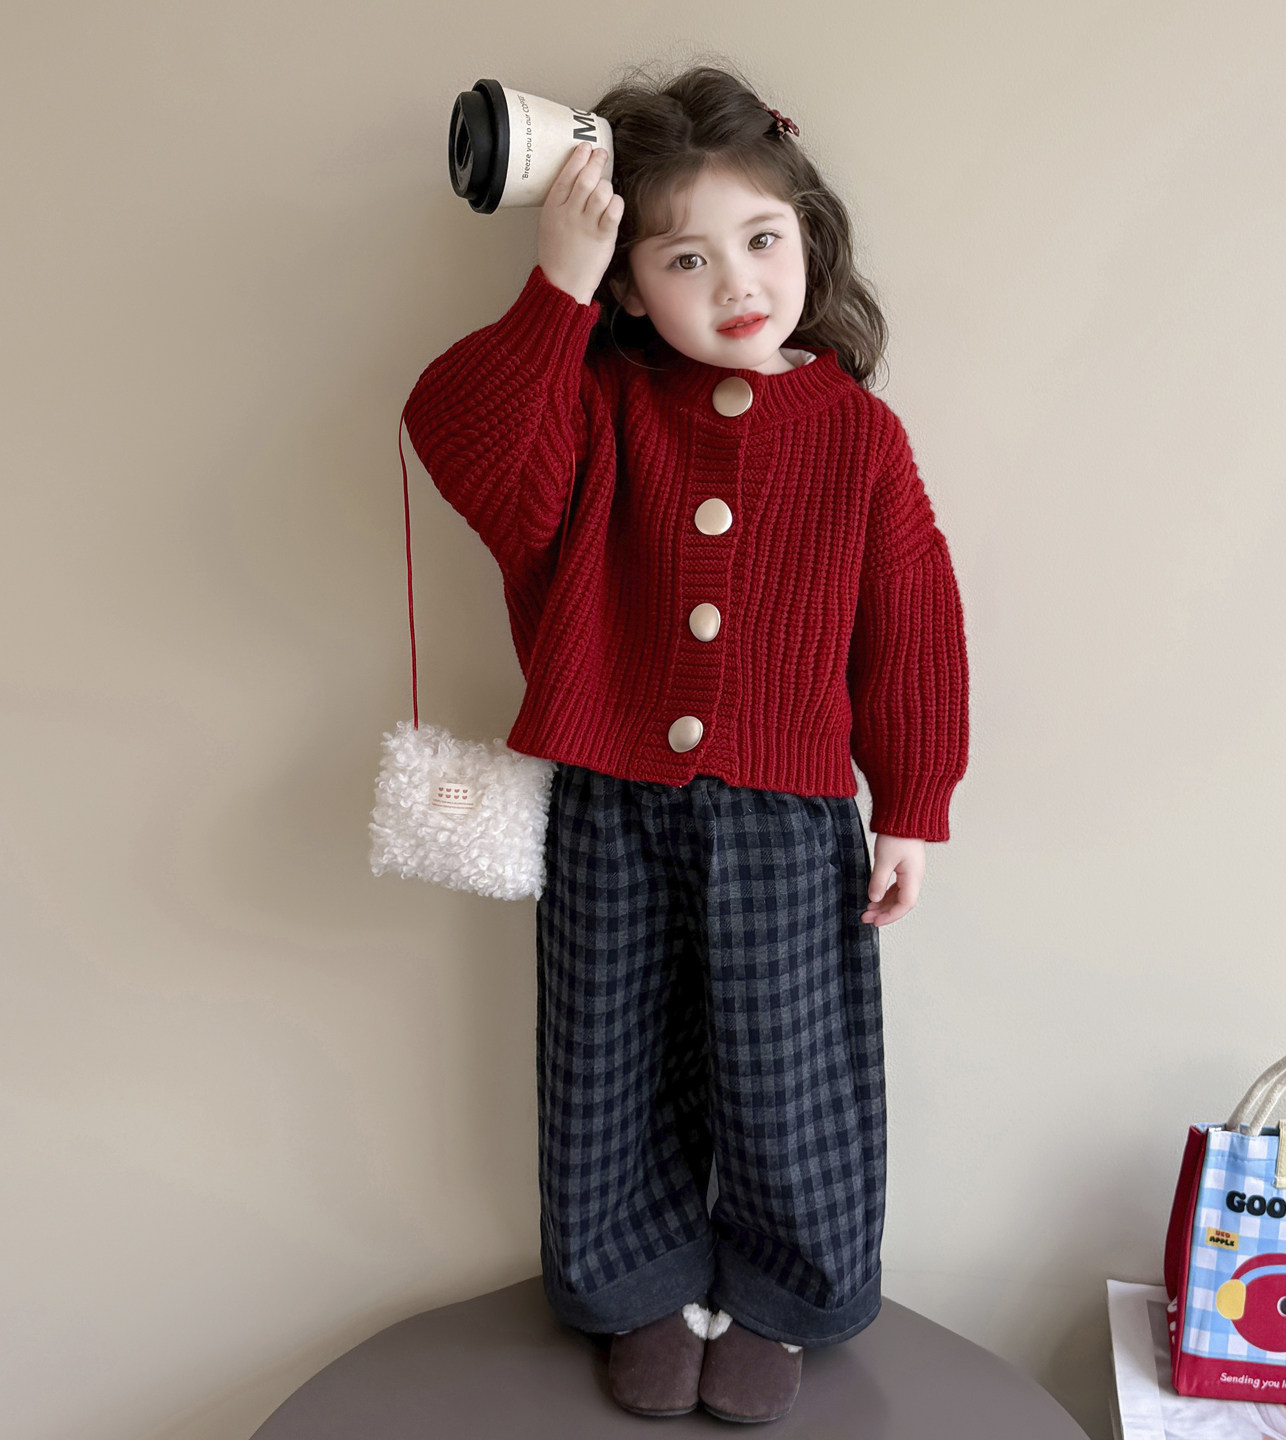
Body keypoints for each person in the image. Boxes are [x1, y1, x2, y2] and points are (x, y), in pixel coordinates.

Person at [402, 64, 969, 1424]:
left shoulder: (857, 436)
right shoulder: (595, 402)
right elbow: (466, 445)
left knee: (790, 1067)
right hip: (607, 798)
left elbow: (912, 621)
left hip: (788, 816)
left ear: (808, 236)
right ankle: (634, 1287)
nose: (736, 285)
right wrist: (555, 287)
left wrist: (914, 802)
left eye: (761, 240)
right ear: (631, 284)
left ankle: (783, 1297)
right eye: (684, 259)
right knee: (607, 1055)